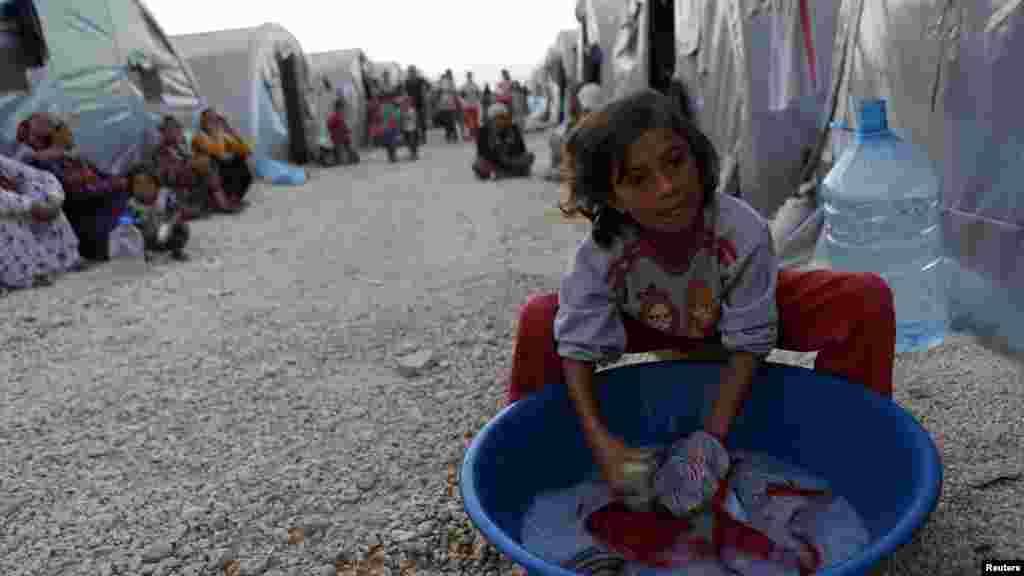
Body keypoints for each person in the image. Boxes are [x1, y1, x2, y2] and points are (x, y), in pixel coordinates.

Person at [503, 90, 896, 498]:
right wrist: (603, 447)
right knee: (540, 318)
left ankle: (850, 451)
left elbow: (750, 340)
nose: (668, 186)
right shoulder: (603, 254)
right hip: (648, 320)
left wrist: (710, 442)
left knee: (864, 298)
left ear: (697, 156)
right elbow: (578, 345)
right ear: (611, 198)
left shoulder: (741, 229)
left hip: (735, 312)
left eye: (675, 161)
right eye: (638, 179)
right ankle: (535, 465)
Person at [16, 113, 131, 261]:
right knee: (116, 193)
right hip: (84, 217)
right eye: (68, 130)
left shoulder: (72, 157)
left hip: (97, 209)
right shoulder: (44, 162)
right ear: (57, 133)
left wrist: (117, 181)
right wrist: (111, 185)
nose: (71, 134)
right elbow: (73, 194)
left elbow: (102, 175)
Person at [0, 152, 82, 290]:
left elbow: (40, 176)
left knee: (40, 191)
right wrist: (32, 206)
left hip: (20, 206)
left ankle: (68, 260)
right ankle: (24, 276)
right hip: (9, 210)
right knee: (9, 215)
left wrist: (53, 197)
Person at [153, 115, 238, 217]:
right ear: (163, 133)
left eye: (176, 128)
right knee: (206, 166)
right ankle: (221, 203)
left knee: (209, 163)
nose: (174, 131)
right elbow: (166, 173)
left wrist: (188, 154)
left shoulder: (183, 144)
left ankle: (220, 202)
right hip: (175, 182)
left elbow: (194, 155)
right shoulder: (160, 150)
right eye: (169, 129)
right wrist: (189, 163)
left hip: (192, 176)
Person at [126, 165, 189, 261]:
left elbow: (177, 211)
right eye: (138, 184)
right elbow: (129, 222)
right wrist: (138, 221)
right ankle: (145, 252)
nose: (144, 187)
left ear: (156, 183)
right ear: (132, 187)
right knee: (132, 233)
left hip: (166, 231)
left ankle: (176, 250)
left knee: (182, 228)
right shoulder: (132, 204)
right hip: (147, 235)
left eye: (148, 183)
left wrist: (169, 224)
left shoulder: (165, 195)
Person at [192, 109, 253, 207]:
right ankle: (225, 201)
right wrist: (218, 134)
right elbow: (217, 152)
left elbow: (246, 151)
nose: (213, 122)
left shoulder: (223, 135)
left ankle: (234, 198)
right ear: (203, 122)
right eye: (209, 119)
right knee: (229, 163)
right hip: (209, 170)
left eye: (215, 119)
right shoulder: (199, 137)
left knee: (240, 162)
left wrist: (230, 131)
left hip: (223, 166)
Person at [472, 103, 535, 180]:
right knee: (478, 164)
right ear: (491, 119)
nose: (502, 120)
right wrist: (497, 149)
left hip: (511, 161)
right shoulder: (483, 131)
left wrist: (508, 148)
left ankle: (501, 174)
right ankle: (510, 173)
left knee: (529, 157)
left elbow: (522, 150)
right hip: (495, 162)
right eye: (499, 118)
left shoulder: (513, 128)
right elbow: (482, 153)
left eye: (504, 117)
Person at [327, 97, 360, 166]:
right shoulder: (334, 116)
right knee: (341, 151)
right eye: (343, 107)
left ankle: (348, 157)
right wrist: (336, 131)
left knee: (348, 148)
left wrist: (347, 130)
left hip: (344, 137)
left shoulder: (339, 116)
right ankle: (339, 159)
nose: (344, 109)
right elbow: (329, 125)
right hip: (338, 138)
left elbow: (343, 126)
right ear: (338, 108)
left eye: (343, 108)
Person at [404, 66, 429, 145]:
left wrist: (425, 94)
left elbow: (427, 88)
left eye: (412, 71)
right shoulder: (407, 82)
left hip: (421, 103)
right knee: (414, 122)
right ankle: (417, 138)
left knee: (422, 121)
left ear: (415, 72)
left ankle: (423, 137)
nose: (411, 73)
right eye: (410, 71)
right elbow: (405, 92)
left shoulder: (421, 80)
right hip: (411, 105)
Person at [437, 70, 460, 143]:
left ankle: (454, 135)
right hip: (444, 103)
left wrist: (456, 101)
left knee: (451, 120)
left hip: (451, 103)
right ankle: (448, 135)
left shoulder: (452, 82)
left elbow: (454, 92)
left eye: (449, 74)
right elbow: (439, 91)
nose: (449, 75)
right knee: (446, 120)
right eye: (448, 74)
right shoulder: (443, 81)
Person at [460, 71, 482, 142]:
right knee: (467, 121)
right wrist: (463, 101)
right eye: (468, 76)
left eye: (470, 76)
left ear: (471, 76)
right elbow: (461, 95)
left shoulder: (475, 85)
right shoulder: (464, 86)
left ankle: (476, 135)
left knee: (475, 121)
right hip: (467, 106)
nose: (469, 77)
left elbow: (479, 94)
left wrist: (477, 100)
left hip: (474, 105)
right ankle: (467, 135)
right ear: (467, 77)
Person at [400, 94, 420, 161]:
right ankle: (412, 154)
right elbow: (401, 119)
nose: (405, 103)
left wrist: (417, 127)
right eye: (405, 102)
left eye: (407, 101)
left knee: (412, 142)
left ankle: (414, 154)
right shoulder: (402, 110)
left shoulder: (412, 110)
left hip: (412, 128)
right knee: (408, 142)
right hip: (405, 128)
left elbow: (415, 119)